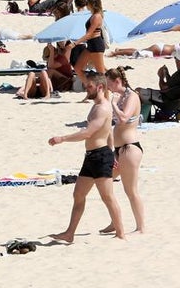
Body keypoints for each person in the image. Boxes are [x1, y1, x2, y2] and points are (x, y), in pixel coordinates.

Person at [48, 74, 126, 243]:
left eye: (89, 86)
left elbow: (88, 133)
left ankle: (121, 234)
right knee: (78, 194)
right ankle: (69, 233)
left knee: (107, 196)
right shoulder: (96, 106)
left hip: (100, 156)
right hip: (92, 156)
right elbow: (108, 132)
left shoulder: (102, 108)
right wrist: (113, 152)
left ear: (100, 87)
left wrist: (62, 138)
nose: (86, 89)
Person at [105, 66, 144, 235]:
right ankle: (115, 221)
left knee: (131, 191)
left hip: (130, 148)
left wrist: (113, 103)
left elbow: (123, 118)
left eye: (109, 84)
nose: (107, 87)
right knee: (105, 184)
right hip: (118, 150)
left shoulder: (132, 96)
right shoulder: (118, 97)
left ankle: (141, 227)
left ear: (117, 81)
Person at [138, 47, 180, 120]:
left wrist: (161, 77)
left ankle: (139, 118)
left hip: (168, 102)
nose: (175, 61)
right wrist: (167, 74)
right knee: (144, 91)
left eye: (176, 59)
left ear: (179, 61)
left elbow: (163, 87)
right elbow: (173, 85)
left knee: (138, 91)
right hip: (179, 102)